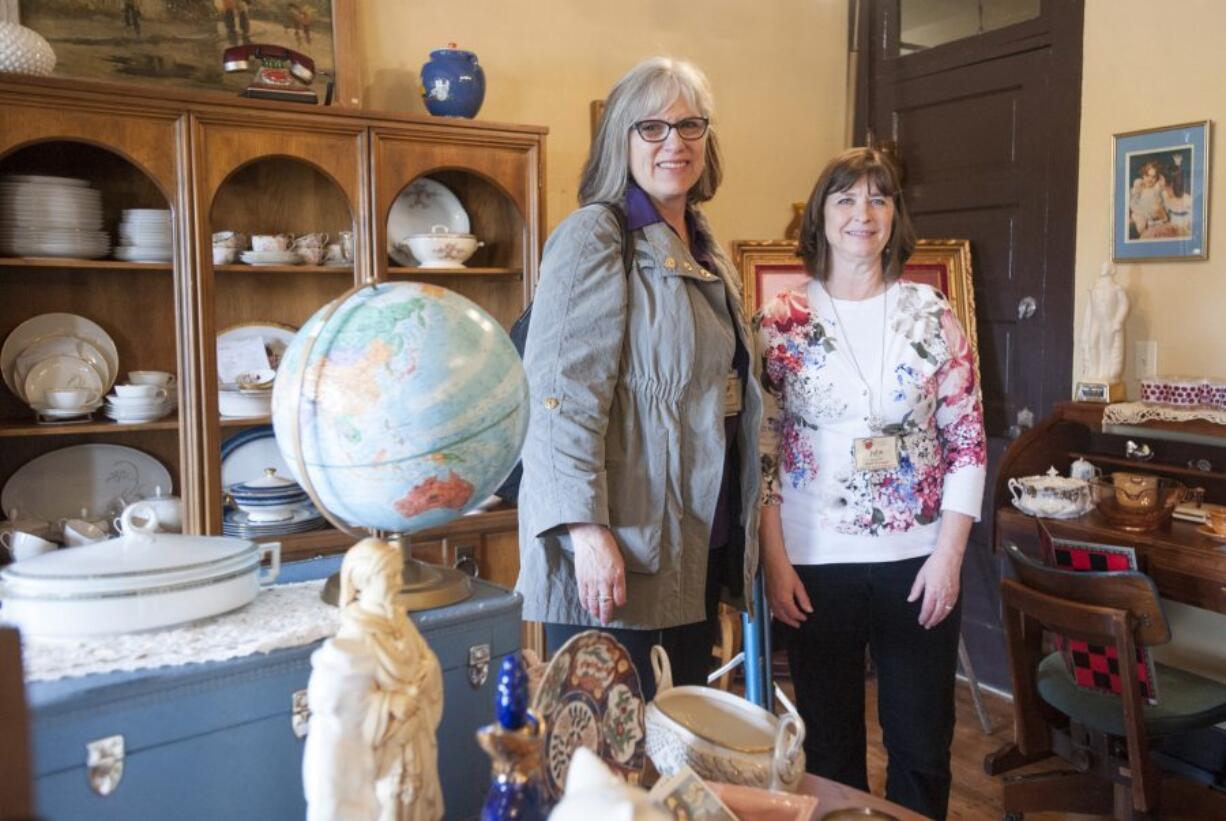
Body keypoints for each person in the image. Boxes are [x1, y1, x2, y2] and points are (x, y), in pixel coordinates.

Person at [516, 57, 763, 700]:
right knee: (613, 766)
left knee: (672, 750)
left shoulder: (706, 247)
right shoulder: (599, 235)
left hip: (693, 542)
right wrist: (585, 532)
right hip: (621, 553)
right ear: (620, 139)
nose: (673, 143)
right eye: (650, 127)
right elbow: (560, 397)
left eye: (689, 126)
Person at [755, 147, 986, 820]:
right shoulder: (780, 321)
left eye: (879, 199)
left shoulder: (932, 314)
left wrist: (949, 556)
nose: (863, 214)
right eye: (846, 199)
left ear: (896, 216)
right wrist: (773, 559)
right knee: (830, 751)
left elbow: (968, 441)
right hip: (813, 562)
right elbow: (761, 452)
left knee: (921, 747)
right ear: (820, 216)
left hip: (917, 562)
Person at [303, 538, 444, 821]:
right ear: (363, 582)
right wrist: (390, 703)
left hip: (415, 740)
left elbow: (426, 662)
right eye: (388, 576)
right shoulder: (357, 636)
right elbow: (345, 708)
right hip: (386, 755)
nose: (397, 582)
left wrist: (427, 673)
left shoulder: (400, 624)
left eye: (398, 573)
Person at [1081, 260, 1129, 382]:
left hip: (1108, 321)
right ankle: (1094, 370)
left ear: (1112, 270)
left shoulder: (1116, 288)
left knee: (1107, 347)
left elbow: (1124, 304)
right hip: (1096, 320)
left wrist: (1118, 321)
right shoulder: (1094, 286)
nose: (1103, 268)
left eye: (1106, 266)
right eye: (1102, 266)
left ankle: (1105, 372)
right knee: (1092, 343)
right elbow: (1090, 307)